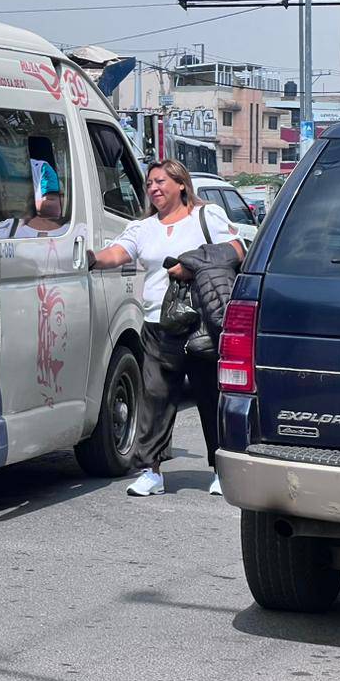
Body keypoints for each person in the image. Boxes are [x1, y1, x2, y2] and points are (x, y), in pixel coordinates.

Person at [86, 159, 244, 497]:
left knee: (210, 397)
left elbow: (236, 249)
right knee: (155, 399)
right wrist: (93, 258)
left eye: (161, 182)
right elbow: (119, 252)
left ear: (181, 185)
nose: (154, 189)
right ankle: (152, 472)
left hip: (200, 321)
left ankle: (222, 470)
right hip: (158, 324)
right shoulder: (144, 227)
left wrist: (192, 265)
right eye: (150, 184)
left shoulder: (206, 216)